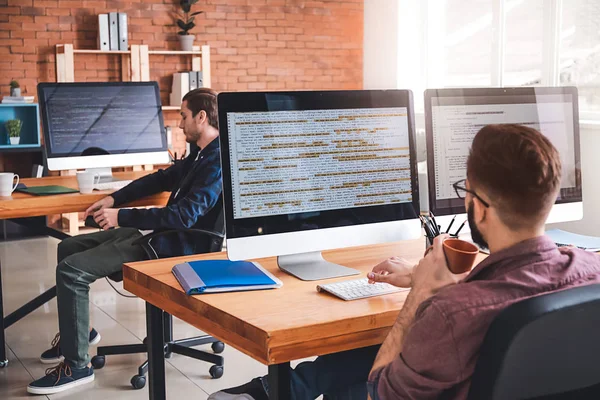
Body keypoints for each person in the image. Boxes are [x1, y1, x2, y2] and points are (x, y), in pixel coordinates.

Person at [209, 124, 600, 400]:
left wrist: (421, 295)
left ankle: (281, 390)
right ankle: (286, 390)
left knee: (384, 344)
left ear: (479, 208)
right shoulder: (591, 272)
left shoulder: (453, 313)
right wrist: (418, 276)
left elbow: (380, 392)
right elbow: (514, 294)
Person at [27, 88, 223, 395]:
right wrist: (114, 198)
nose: (179, 123)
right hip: (160, 235)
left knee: (72, 270)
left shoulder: (216, 162)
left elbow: (184, 217)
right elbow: (159, 180)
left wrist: (123, 216)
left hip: (176, 246)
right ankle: (77, 334)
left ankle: (77, 366)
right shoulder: (201, 154)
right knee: (67, 247)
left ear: (201, 117)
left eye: (183, 116)